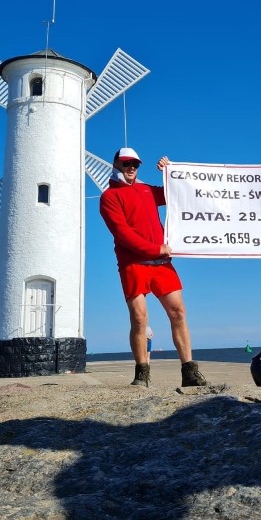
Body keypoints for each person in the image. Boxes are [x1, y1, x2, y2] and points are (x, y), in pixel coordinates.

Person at [99, 147, 208, 388]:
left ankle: (189, 371)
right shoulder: (108, 197)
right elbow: (122, 234)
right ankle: (142, 373)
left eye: (135, 164)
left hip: (161, 264)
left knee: (178, 313)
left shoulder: (147, 190)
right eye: (127, 164)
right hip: (133, 264)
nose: (131, 168)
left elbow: (175, 194)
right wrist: (155, 249)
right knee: (139, 318)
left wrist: (170, 170)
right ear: (116, 164)